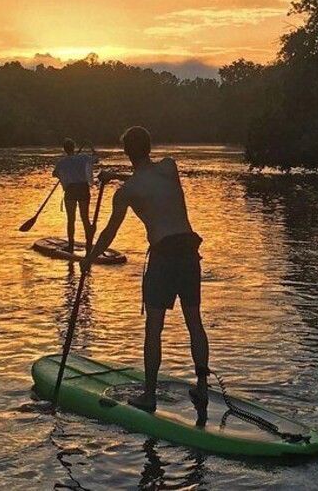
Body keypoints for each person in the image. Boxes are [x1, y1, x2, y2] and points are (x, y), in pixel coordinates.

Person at [81, 127, 210, 420]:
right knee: (194, 322)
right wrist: (114, 176)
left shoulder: (127, 192)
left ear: (127, 153)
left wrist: (89, 258)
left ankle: (149, 396)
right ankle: (202, 386)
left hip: (164, 257)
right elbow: (148, 178)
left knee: (154, 327)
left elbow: (109, 234)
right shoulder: (169, 167)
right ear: (150, 147)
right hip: (189, 252)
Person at [52, 138, 98, 253]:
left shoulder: (62, 162)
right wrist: (92, 148)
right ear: (74, 147)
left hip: (71, 190)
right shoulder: (83, 158)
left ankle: (71, 245)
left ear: (64, 149)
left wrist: (65, 172)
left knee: (71, 219)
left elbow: (54, 174)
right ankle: (89, 244)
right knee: (85, 218)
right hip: (83, 188)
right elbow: (96, 159)